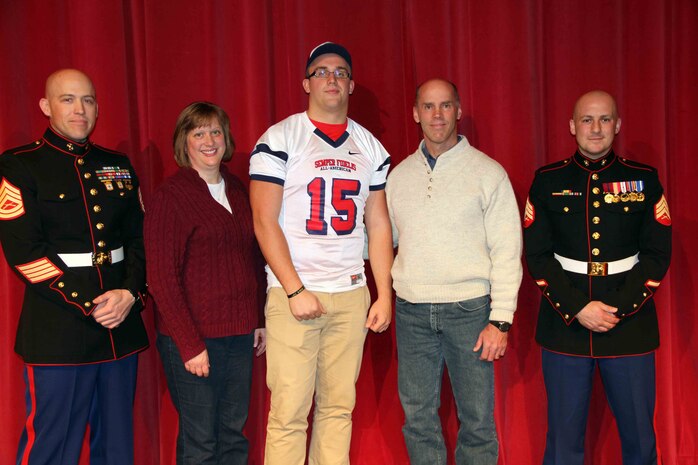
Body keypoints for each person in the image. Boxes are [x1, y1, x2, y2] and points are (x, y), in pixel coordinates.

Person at [249, 41, 393, 465]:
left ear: (351, 83)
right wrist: (294, 291)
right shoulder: (281, 138)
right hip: (296, 293)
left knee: (337, 409)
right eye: (322, 71)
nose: (332, 78)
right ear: (306, 83)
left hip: (350, 293)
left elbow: (379, 224)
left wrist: (383, 292)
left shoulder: (371, 147)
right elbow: (263, 219)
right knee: (289, 413)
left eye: (340, 71)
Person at [0, 69, 148, 465]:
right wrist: (90, 303)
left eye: (87, 100)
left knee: (116, 447)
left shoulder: (116, 164)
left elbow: (139, 239)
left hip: (120, 327)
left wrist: (129, 294)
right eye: (67, 99)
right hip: (59, 328)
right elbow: (24, 254)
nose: (80, 109)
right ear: (46, 107)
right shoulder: (20, 165)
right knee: (52, 445)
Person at [524, 90, 672, 465]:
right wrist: (579, 308)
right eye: (587, 120)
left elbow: (657, 255)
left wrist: (616, 309)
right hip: (566, 325)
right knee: (563, 443)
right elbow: (538, 256)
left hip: (629, 325)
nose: (596, 128)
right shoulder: (546, 181)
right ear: (572, 126)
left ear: (617, 125)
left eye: (604, 119)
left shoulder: (644, 180)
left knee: (640, 439)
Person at [386, 78, 522, 465]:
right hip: (411, 311)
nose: (437, 115)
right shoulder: (398, 177)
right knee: (418, 420)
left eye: (445, 106)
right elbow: (381, 242)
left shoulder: (487, 173)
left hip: (470, 312)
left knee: (477, 422)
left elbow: (508, 250)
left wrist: (502, 319)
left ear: (458, 111)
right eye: (428, 107)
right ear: (415, 114)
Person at [143, 102, 266, 465]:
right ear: (185, 142)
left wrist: (257, 319)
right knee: (201, 443)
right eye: (198, 133)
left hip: (240, 336)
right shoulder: (171, 196)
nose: (209, 140)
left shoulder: (238, 189)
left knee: (232, 434)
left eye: (215, 132)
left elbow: (252, 258)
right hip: (195, 340)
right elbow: (161, 278)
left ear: (226, 138)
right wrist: (189, 344)